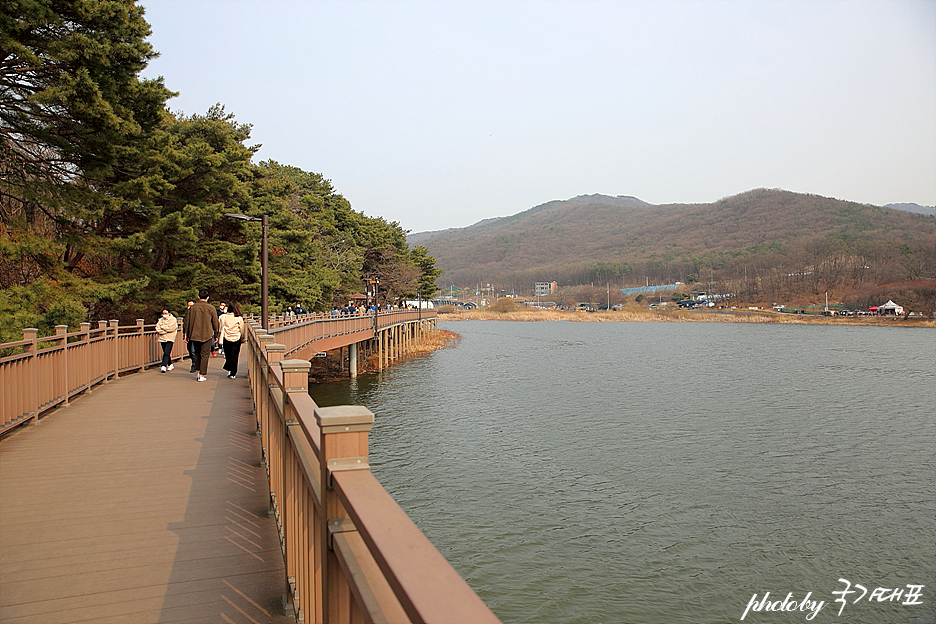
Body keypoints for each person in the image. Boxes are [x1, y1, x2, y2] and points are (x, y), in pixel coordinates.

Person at [183, 290, 219, 382]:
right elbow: (215, 322)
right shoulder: (210, 308)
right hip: (207, 334)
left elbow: (186, 322)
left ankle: (198, 370)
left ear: (198, 297)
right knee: (205, 354)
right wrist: (216, 334)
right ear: (208, 297)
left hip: (194, 334)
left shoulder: (192, 308)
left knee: (197, 353)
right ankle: (201, 374)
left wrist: (185, 334)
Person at [219, 301, 245, 379]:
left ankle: (229, 369)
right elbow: (242, 329)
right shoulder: (239, 318)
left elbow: (220, 327)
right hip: (236, 337)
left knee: (228, 355)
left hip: (226, 337)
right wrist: (241, 335)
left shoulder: (224, 316)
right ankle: (233, 373)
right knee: (235, 355)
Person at [184, 300, 197, 372]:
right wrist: (185, 334)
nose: (190, 307)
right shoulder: (187, 314)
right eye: (188, 306)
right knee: (190, 350)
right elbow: (186, 324)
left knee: (193, 350)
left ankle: (194, 364)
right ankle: (194, 362)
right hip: (189, 335)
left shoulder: (197, 314)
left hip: (196, 335)